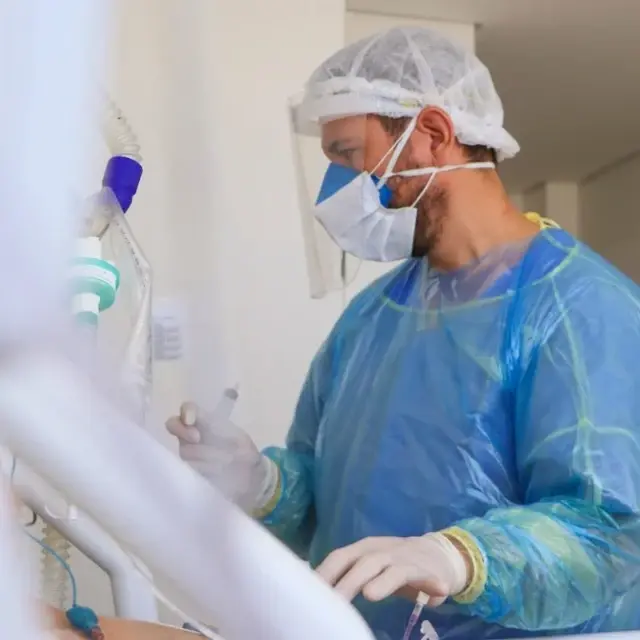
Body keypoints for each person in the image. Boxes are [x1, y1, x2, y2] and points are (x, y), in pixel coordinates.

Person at [166, 26, 640, 640]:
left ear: (434, 133)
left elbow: (609, 534)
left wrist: (460, 559)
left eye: (347, 154)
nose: (334, 187)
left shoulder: (581, 310)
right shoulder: (374, 316)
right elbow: (333, 501)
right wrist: (262, 481)